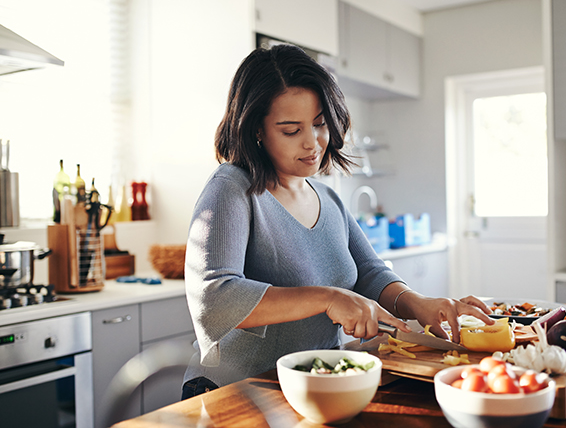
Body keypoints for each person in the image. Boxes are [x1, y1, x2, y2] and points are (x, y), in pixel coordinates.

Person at [182, 44, 494, 400]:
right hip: (237, 391)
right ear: (256, 129)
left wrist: (418, 304)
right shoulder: (231, 189)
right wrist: (327, 298)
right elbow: (213, 297)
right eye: (290, 130)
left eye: (319, 124)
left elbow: (370, 274)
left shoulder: (326, 198)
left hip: (311, 387)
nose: (313, 143)